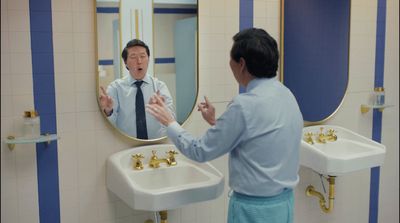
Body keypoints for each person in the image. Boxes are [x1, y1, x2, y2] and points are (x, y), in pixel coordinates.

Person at [146, 28, 303, 223]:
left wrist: (169, 122)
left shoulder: (244, 105)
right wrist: (216, 122)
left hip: (253, 211)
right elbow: (260, 137)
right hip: (284, 206)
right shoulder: (287, 95)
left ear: (242, 64)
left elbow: (199, 151)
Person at [99, 39, 175, 139]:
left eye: (143, 56)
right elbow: (109, 125)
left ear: (148, 59)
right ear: (126, 62)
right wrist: (108, 111)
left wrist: (160, 110)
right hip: (125, 144)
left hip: (154, 144)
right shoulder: (115, 88)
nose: (139, 61)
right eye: (133, 57)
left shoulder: (159, 87)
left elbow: (172, 120)